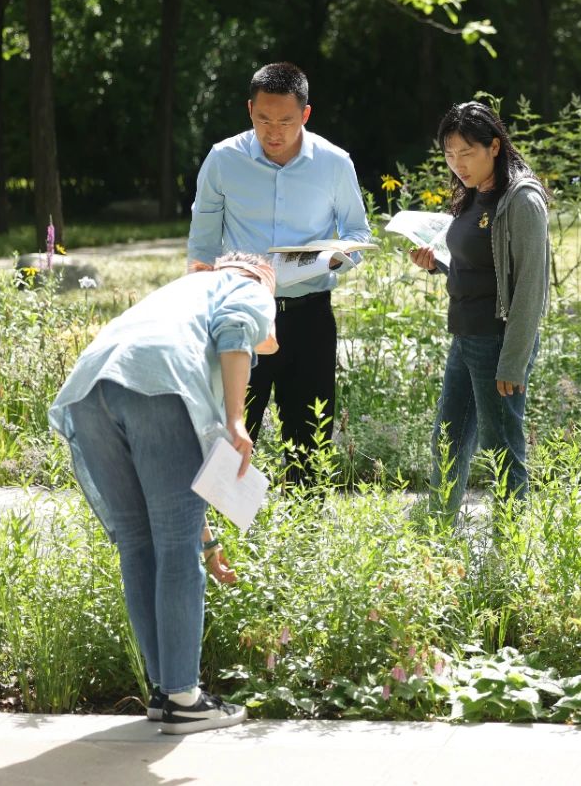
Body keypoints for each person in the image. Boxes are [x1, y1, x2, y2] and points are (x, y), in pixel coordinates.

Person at [49, 253, 279, 734]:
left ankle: (165, 692)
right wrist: (237, 418)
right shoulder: (249, 286)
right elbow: (239, 327)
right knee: (173, 550)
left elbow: (181, 479)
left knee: (139, 544)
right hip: (155, 388)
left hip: (90, 390)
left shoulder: (182, 293)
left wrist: (209, 540)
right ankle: (184, 698)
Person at [187, 62, 370, 482]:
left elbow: (357, 231)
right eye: (263, 119)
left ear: (305, 115)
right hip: (239, 313)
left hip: (310, 313)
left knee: (310, 440)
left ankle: (303, 538)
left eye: (286, 121)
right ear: (249, 110)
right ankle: (224, 539)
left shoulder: (334, 162)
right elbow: (202, 240)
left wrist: (338, 257)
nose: (274, 132)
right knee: (229, 437)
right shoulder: (223, 159)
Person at [408, 101, 551, 524]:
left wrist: (514, 359)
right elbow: (480, 266)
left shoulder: (522, 200)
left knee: (503, 448)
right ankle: (439, 535)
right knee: (448, 440)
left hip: (500, 341)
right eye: (450, 155)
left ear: (494, 146)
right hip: (466, 336)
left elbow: (530, 288)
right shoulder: (473, 195)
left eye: (466, 153)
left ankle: (513, 547)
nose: (458, 165)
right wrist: (437, 264)